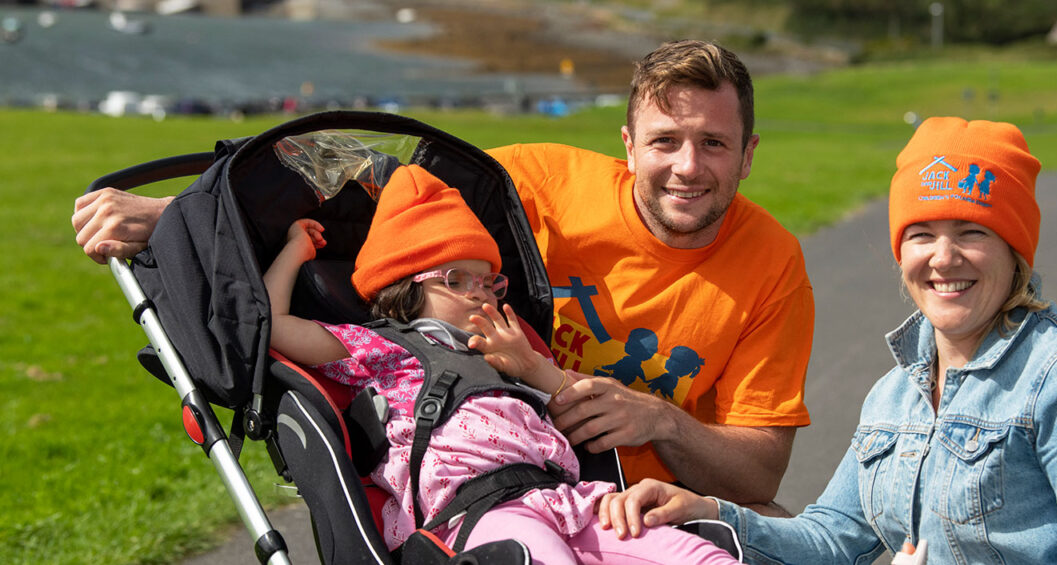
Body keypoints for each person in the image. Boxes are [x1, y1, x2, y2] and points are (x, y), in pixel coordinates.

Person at [72, 40, 815, 512]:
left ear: (748, 154)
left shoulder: (773, 263)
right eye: (666, 141)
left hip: (653, 497)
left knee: (787, 535)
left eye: (713, 143)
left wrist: (662, 421)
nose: (688, 167)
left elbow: (759, 477)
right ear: (628, 145)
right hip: (494, 468)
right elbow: (367, 177)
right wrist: (177, 213)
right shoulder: (537, 182)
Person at [595, 117, 1057, 565]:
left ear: (1015, 250)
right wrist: (708, 512)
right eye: (922, 234)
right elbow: (834, 540)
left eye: (972, 232)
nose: (943, 258)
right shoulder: (896, 395)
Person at [264, 163, 741, 564]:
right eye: (456, 279)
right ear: (405, 288)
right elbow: (275, 327)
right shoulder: (383, 349)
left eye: (488, 279)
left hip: (564, 499)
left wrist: (530, 365)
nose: (478, 290)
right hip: (477, 515)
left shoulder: (514, 347)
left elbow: (575, 403)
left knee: (704, 556)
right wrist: (295, 252)